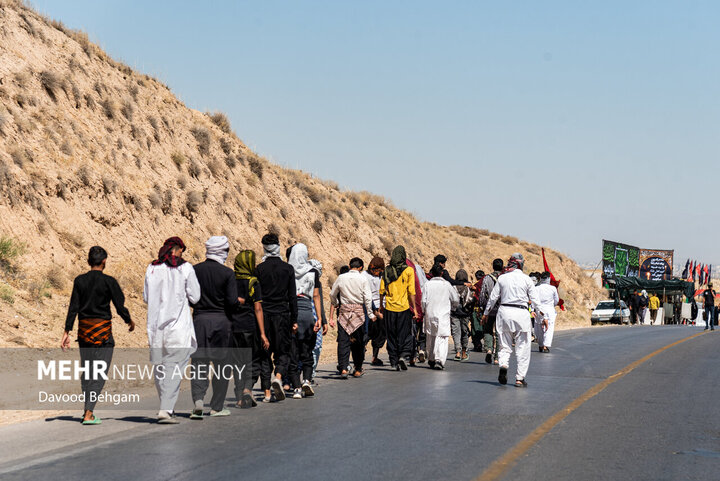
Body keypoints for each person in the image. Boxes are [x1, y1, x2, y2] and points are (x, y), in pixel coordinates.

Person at [63, 246, 135, 425]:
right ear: (104, 262)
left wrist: (66, 332)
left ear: (89, 262)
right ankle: (88, 413)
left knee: (87, 371)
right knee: (99, 372)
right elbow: (119, 306)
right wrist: (129, 320)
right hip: (103, 333)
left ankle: (87, 409)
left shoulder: (79, 281)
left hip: (84, 332)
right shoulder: (109, 282)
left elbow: (74, 307)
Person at [144, 237, 201, 424]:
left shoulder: (151, 269)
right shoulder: (185, 268)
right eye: (181, 251)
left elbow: (146, 297)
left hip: (155, 327)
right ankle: (166, 409)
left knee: (160, 369)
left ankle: (166, 406)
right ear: (176, 250)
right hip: (178, 327)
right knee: (174, 369)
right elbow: (195, 296)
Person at [189, 236, 237, 419]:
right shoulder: (227, 273)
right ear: (222, 252)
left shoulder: (195, 270)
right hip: (221, 323)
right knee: (222, 366)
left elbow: (190, 297)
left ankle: (198, 402)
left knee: (199, 364)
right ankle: (216, 406)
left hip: (200, 321)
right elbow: (232, 301)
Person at [482, 253, 542, 388]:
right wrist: (541, 316)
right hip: (521, 313)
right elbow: (536, 301)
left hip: (504, 312)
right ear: (521, 264)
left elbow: (493, 298)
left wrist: (486, 313)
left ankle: (503, 364)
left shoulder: (502, 278)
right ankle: (519, 378)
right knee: (523, 347)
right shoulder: (527, 280)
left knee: (504, 345)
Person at [256, 233, 297, 402]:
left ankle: (266, 393)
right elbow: (292, 296)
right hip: (283, 315)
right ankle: (278, 376)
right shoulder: (288, 269)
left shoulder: (259, 269)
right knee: (284, 351)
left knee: (265, 354)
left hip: (265, 315)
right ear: (278, 246)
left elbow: (257, 298)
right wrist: (294, 319)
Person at [231, 250, 270, 408]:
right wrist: (263, 334)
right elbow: (258, 308)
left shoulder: (231, 281)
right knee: (252, 360)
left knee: (238, 363)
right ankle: (248, 388)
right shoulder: (253, 282)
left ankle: (239, 397)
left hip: (234, 328)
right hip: (249, 327)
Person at [330, 257, 375, 378]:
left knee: (343, 341)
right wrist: (370, 314)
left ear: (350, 266)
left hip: (344, 312)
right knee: (359, 343)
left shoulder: (341, 278)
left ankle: (344, 368)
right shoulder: (363, 279)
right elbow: (368, 298)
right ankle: (358, 369)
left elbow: (332, 294)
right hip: (358, 314)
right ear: (360, 268)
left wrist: (336, 304)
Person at [287, 243, 322, 398]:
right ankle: (307, 380)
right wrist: (319, 318)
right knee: (307, 351)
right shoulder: (313, 272)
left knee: (293, 353)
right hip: (307, 312)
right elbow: (316, 296)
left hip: (291, 313)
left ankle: (296, 388)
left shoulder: (287, 271)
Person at [379, 245, 417, 371]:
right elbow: (411, 291)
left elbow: (382, 290)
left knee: (391, 335)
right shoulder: (409, 271)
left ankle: (393, 361)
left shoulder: (387, 270)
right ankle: (403, 355)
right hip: (404, 308)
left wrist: (380, 306)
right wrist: (415, 309)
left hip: (389, 308)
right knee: (404, 334)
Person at [422, 263, 460, 369]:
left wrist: (424, 311)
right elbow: (455, 299)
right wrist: (453, 307)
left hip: (430, 314)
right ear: (441, 273)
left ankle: (431, 358)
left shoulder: (427, 284)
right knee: (442, 337)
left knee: (431, 336)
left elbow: (423, 301)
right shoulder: (446, 285)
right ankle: (439, 360)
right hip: (443, 314)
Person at [478, 259, 503, 364]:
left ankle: (489, 349)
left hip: (489, 308)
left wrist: (481, 306)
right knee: (498, 333)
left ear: (493, 266)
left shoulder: (487, 278)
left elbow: (483, 293)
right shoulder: (504, 278)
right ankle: (497, 357)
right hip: (501, 309)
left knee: (487, 329)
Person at [363, 257, 385, 366]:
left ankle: (374, 357)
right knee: (368, 332)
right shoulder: (364, 276)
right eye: (376, 271)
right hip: (369, 307)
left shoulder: (382, 277)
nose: (377, 273)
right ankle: (362, 351)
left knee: (380, 334)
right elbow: (366, 295)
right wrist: (374, 311)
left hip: (381, 307)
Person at [450, 269, 472, 361]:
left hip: (454, 312)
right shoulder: (468, 287)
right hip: (465, 313)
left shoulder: (453, 287)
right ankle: (464, 352)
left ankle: (457, 352)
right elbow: (470, 299)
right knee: (464, 332)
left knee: (456, 332)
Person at [534, 272, 559, 353]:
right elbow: (556, 300)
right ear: (549, 278)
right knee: (549, 328)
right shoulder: (553, 288)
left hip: (539, 310)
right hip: (549, 310)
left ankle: (541, 345)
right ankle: (545, 345)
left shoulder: (536, 288)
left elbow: (534, 299)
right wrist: (552, 305)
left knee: (539, 328)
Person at [470, 269, 485, 352]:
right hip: (485, 309)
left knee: (475, 327)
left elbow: (473, 298)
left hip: (476, 309)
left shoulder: (475, 286)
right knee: (483, 326)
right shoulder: (486, 285)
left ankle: (477, 344)